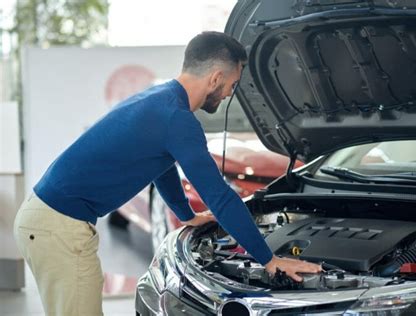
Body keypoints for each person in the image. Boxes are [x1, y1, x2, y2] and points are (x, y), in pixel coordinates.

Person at [13, 31, 322, 316]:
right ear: (215, 78)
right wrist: (268, 259)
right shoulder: (177, 118)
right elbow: (219, 196)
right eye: (232, 84)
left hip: (48, 221)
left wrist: (186, 216)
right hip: (57, 228)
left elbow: (162, 168)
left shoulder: (162, 101)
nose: (230, 93)